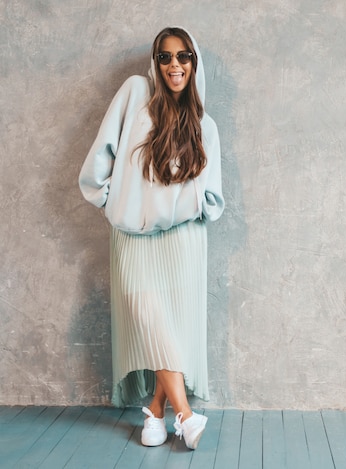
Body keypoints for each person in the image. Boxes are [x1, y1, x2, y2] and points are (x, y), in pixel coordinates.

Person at [78, 26, 225, 450]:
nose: (174, 65)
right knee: (149, 316)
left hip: (182, 243)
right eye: (166, 57)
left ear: (195, 63)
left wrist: (184, 202)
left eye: (183, 57)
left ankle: (155, 414)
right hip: (132, 238)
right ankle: (186, 415)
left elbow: (212, 200)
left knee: (171, 330)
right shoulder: (133, 94)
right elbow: (97, 164)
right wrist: (115, 204)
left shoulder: (204, 126)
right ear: (155, 62)